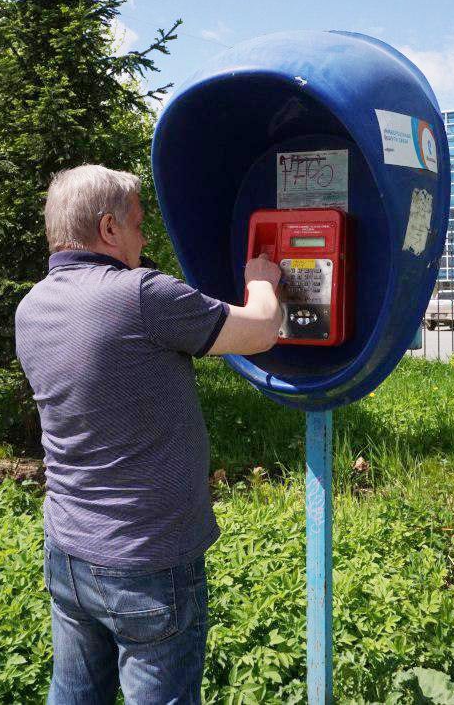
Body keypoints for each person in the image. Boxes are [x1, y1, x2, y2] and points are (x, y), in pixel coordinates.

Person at [15, 165, 282, 704]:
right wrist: (263, 279)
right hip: (146, 560)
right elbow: (260, 332)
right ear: (109, 228)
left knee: (72, 693)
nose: (146, 238)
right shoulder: (140, 295)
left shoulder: (32, 306)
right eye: (139, 225)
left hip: (69, 547)